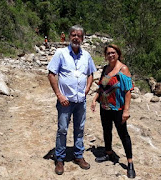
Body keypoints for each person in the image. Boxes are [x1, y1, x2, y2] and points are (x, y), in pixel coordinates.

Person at [47, 25, 97, 175]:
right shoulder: (60, 53)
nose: (76, 38)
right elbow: (51, 74)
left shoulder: (86, 55)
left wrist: (87, 88)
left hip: (80, 100)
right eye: (73, 35)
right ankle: (60, 159)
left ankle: (78, 155)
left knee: (80, 129)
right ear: (69, 37)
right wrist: (59, 95)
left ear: (82, 39)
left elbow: (90, 74)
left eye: (79, 35)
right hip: (65, 101)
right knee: (62, 130)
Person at [91, 44, 136, 178]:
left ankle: (130, 163)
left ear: (118, 54)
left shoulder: (123, 69)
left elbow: (128, 91)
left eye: (113, 52)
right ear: (105, 56)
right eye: (108, 53)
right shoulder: (105, 69)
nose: (111, 55)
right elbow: (101, 87)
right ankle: (108, 153)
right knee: (106, 130)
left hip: (118, 108)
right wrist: (94, 99)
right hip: (104, 107)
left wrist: (126, 111)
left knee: (123, 134)